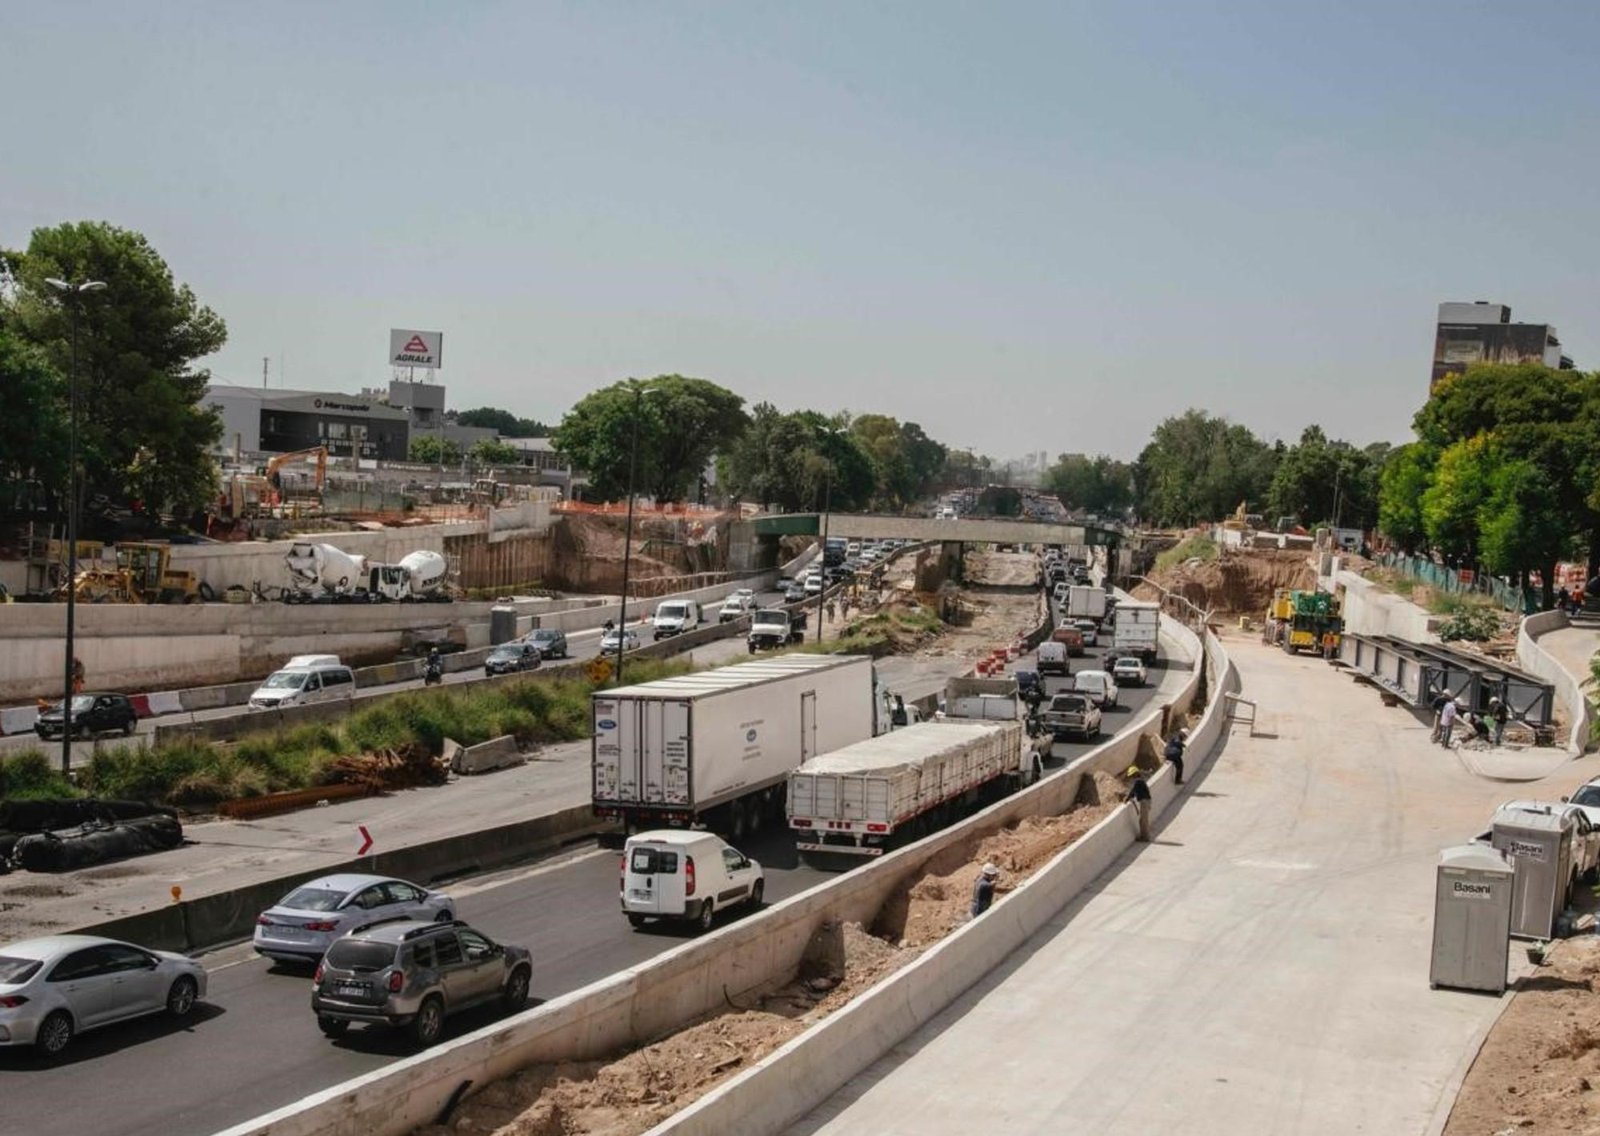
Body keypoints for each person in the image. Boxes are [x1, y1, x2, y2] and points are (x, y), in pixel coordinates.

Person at [1125, 768, 1153, 842]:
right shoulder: (1140, 781)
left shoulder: (1138, 781)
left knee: (1144, 821)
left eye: (1131, 776)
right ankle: (1144, 836)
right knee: (1142, 820)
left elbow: (1133, 791)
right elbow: (1134, 791)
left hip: (1144, 802)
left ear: (1134, 775)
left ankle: (1145, 837)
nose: (1131, 778)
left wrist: (1127, 798)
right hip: (1146, 801)